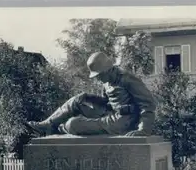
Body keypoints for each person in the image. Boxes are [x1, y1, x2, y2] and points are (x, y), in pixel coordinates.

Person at [27, 51, 157, 137]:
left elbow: (148, 104)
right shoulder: (107, 82)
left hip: (123, 122)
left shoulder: (127, 79)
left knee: (73, 124)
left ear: (108, 70)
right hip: (110, 114)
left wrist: (143, 130)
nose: (97, 79)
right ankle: (47, 125)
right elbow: (107, 102)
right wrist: (89, 98)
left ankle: (60, 129)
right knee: (78, 100)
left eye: (99, 75)